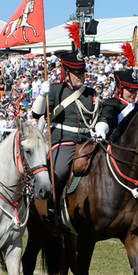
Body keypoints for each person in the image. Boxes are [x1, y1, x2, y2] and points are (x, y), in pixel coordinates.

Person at [32, 50, 99, 199]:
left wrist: (101, 126)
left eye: (82, 72)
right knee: (59, 171)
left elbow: (99, 116)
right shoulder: (56, 90)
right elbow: (36, 114)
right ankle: (50, 206)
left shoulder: (91, 93)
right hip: (64, 141)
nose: (81, 76)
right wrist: (42, 95)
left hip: (88, 140)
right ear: (67, 73)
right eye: (77, 73)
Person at [95, 68, 138, 139]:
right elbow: (108, 121)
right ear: (120, 89)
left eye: (135, 91)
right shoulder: (111, 105)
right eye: (130, 90)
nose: (133, 94)